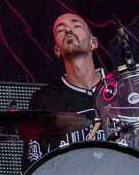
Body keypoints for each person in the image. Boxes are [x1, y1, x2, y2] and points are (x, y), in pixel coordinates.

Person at [24, 12, 105, 162]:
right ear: (57, 50)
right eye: (61, 30)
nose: (68, 30)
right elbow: (33, 162)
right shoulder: (44, 99)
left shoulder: (118, 88)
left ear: (93, 43)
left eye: (76, 25)